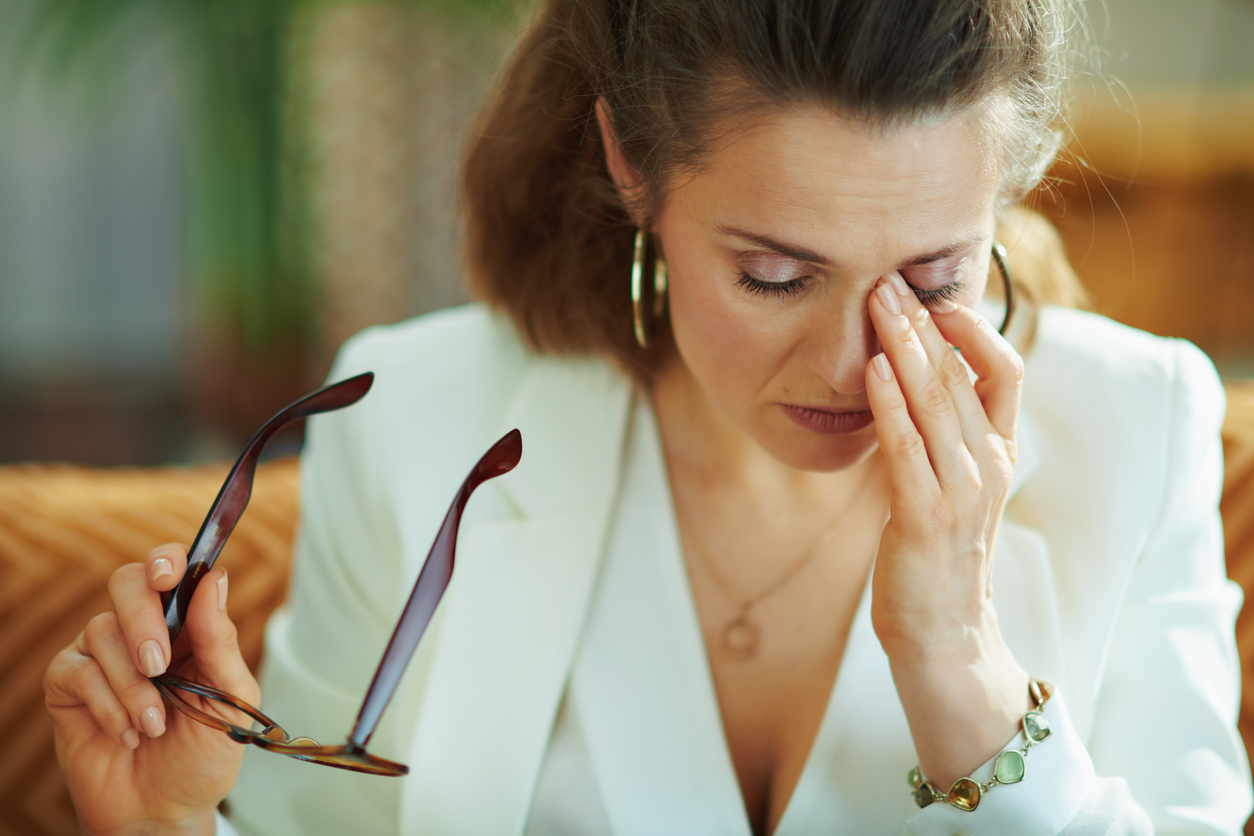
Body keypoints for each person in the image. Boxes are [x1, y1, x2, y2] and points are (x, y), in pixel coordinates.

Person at [44, 0, 1252, 833]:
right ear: (633, 165)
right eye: (774, 275)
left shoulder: (1139, 432)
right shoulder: (412, 426)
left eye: (934, 278)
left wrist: (964, 672)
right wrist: (163, 823)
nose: (849, 360)